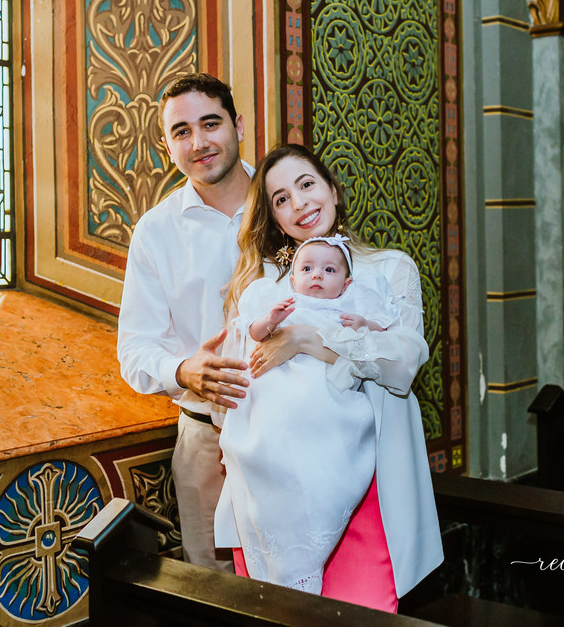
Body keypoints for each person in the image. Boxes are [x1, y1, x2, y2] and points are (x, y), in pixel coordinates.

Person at [215, 143, 444, 612]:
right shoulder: (266, 289)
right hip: (275, 488)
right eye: (281, 199)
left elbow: (401, 363)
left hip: (368, 477)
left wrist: (302, 341)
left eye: (306, 185)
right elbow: (241, 384)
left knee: (361, 612)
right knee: (283, 615)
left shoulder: (388, 268)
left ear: (334, 192)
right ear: (275, 220)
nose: (298, 204)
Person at [116, 73, 253, 571]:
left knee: (303, 596)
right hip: (205, 442)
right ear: (166, 144)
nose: (199, 143)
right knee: (218, 598)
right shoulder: (155, 231)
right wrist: (183, 371)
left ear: (238, 125)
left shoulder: (286, 204)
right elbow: (134, 348)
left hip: (297, 430)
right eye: (181, 131)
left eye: (210, 123)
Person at [216, 234, 397, 594]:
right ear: (293, 276)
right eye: (307, 268)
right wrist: (272, 319)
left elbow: (382, 337)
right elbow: (253, 332)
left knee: (321, 476)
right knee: (269, 455)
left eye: (329, 270)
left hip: (326, 400)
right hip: (279, 396)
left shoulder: (346, 308)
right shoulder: (284, 303)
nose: (317, 276)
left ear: (345, 284)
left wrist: (363, 324)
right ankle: (282, 560)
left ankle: (302, 559)